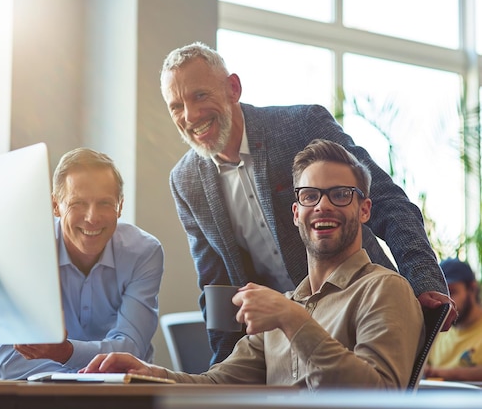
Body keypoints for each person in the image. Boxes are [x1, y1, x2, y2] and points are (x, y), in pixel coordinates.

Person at [162, 41, 453, 364]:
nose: (190, 115)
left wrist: (423, 281)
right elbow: (215, 284)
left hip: (360, 312)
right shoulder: (185, 180)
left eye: (200, 95)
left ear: (233, 88)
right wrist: (223, 375)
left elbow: (385, 199)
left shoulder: (300, 125)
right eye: (176, 106)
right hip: (280, 341)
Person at [81, 139, 424, 390]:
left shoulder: (384, 289)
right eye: (309, 196)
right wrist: (151, 374)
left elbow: (380, 396)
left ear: (364, 209)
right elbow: (217, 384)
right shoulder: (285, 306)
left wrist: (293, 320)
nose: (323, 206)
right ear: (296, 213)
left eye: (340, 194)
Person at [0, 148, 165, 379]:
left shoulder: (143, 252)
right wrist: (80, 374)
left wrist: (65, 353)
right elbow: (10, 363)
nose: (92, 217)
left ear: (120, 206)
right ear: (56, 206)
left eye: (104, 203)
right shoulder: (22, 251)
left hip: (120, 395)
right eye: (78, 203)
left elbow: (131, 349)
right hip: (44, 396)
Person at [425, 258, 482, 381]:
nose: (447, 300)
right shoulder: (438, 328)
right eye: (442, 293)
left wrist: (434, 372)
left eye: (451, 292)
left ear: (472, 289)